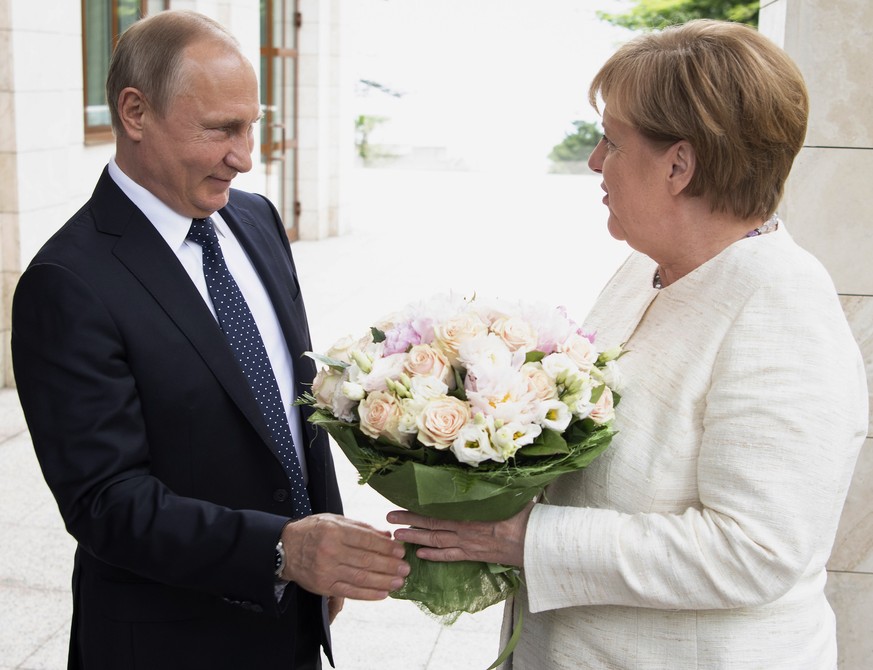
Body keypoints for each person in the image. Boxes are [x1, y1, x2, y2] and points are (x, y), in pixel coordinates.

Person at [388, 19, 868, 669]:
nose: (593, 162)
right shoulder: (646, 269)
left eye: (610, 141)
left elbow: (756, 551)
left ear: (679, 164)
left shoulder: (779, 307)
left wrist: (525, 538)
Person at [12, 10, 408, 670]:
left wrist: (321, 538)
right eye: (221, 129)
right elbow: (106, 502)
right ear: (135, 113)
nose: (245, 156)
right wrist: (283, 550)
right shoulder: (67, 282)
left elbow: (290, 402)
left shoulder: (253, 219)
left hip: (290, 617)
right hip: (168, 640)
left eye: (252, 126)